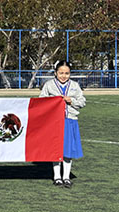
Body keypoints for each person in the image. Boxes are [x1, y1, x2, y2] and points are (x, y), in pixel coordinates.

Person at [39, 60, 85, 188]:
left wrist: (72, 101)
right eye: (61, 73)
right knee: (56, 149)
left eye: (66, 73)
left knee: (68, 150)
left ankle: (66, 176)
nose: (63, 76)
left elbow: (82, 102)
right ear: (55, 73)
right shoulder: (49, 85)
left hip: (70, 120)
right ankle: (57, 177)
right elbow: (41, 100)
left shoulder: (75, 86)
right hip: (54, 122)